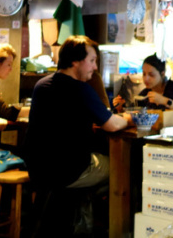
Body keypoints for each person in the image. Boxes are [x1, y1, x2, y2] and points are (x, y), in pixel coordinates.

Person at [23, 35, 132, 190]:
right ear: (75, 61)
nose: (95, 67)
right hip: (68, 172)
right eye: (92, 61)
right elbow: (112, 125)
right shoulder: (80, 89)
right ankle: (90, 204)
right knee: (120, 166)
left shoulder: (42, 85)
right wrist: (130, 119)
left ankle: (77, 203)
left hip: (37, 170)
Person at [114, 54, 173, 123]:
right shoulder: (145, 94)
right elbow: (134, 115)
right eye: (144, 74)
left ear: (162, 74)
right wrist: (120, 108)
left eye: (151, 75)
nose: (146, 79)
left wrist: (164, 101)